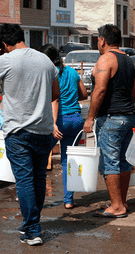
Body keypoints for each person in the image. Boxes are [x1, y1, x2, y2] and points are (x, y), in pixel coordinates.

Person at [0, 23, 59, 246]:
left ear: (5, 44)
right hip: (44, 131)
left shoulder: (6, 60)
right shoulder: (45, 60)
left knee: (25, 180)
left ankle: (33, 229)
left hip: (18, 131)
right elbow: (55, 93)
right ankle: (32, 224)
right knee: (38, 178)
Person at [82, 24, 135, 219]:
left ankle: (116, 206)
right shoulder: (128, 60)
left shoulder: (106, 58)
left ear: (102, 40)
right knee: (124, 160)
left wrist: (90, 118)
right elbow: (133, 91)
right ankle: (122, 202)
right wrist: (129, 112)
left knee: (110, 162)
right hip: (128, 117)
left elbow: (100, 90)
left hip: (112, 119)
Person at [41, 44, 88, 209]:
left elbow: (50, 99)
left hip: (58, 121)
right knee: (68, 161)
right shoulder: (72, 72)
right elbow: (84, 94)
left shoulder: (48, 73)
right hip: (75, 121)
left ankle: (31, 195)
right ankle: (68, 200)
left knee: (39, 157)